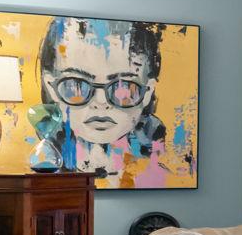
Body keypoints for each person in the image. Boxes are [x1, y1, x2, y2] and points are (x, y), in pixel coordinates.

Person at [36, 16, 186, 184]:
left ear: (148, 92)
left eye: (124, 88)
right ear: (51, 87)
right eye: (77, 85)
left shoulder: (162, 176)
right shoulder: (43, 172)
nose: (101, 102)